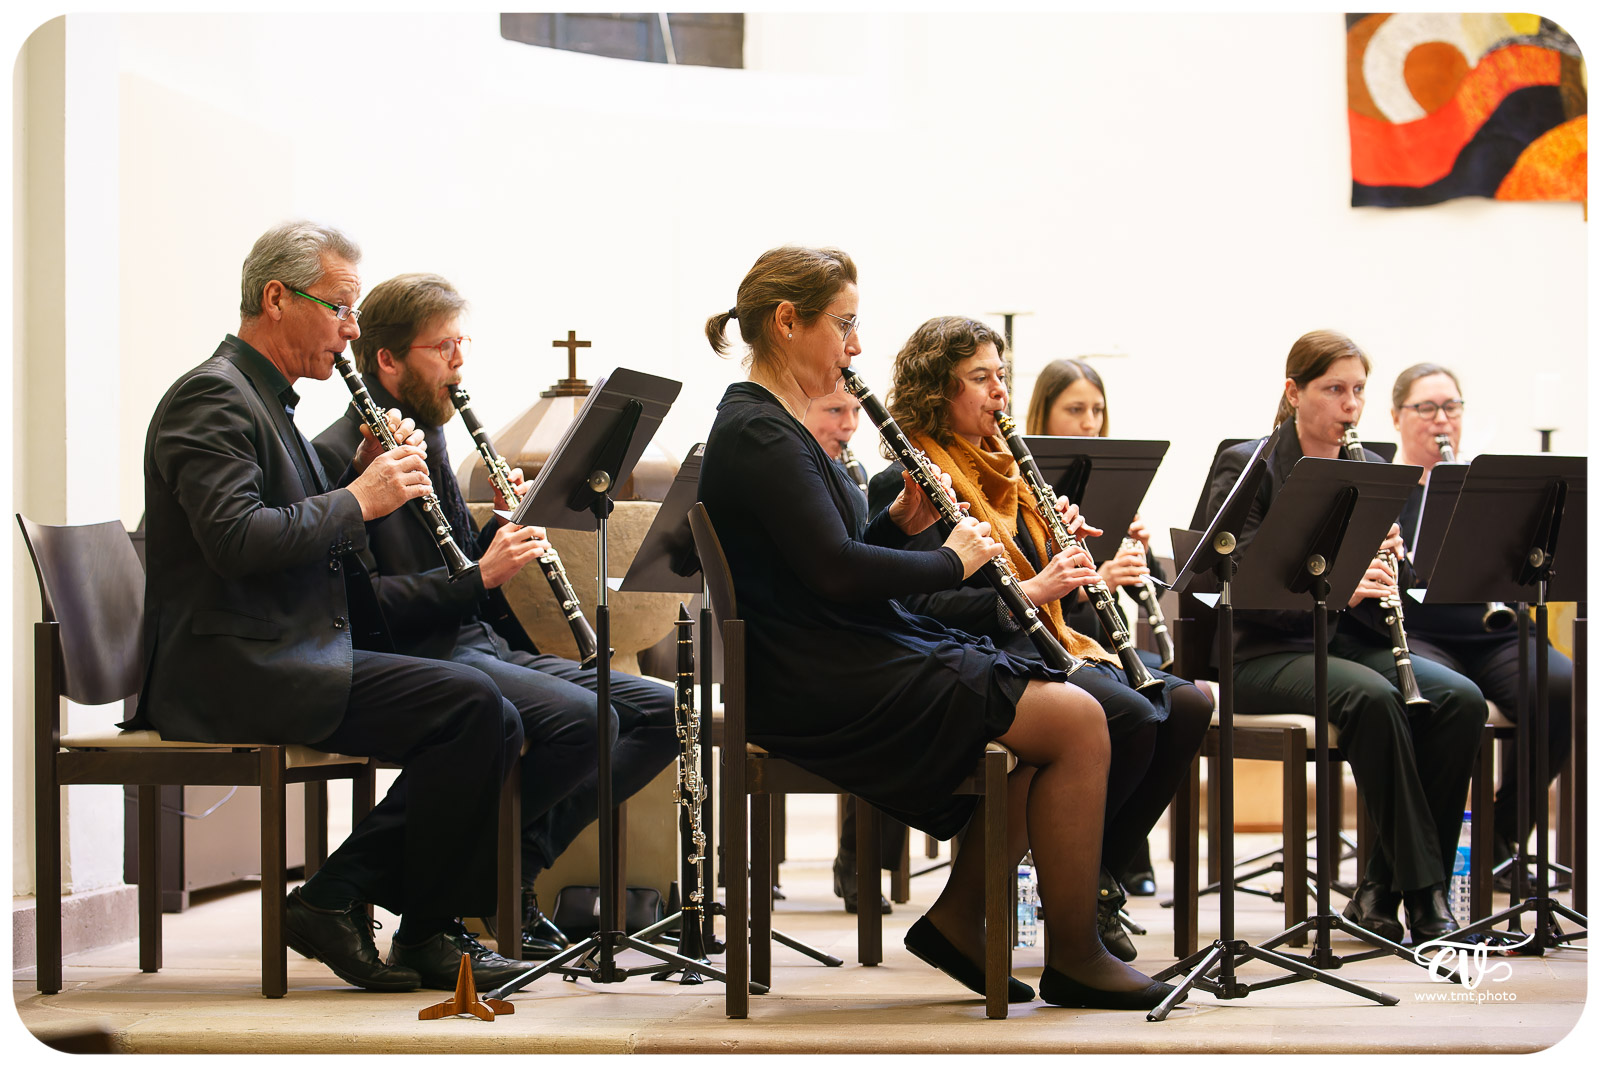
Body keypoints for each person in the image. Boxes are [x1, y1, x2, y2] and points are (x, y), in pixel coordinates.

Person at [699, 245, 1176, 1010]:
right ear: (787, 322)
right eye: (844, 326)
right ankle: (1075, 952)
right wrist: (952, 560)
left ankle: (961, 918)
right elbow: (833, 574)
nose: (856, 347)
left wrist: (895, 523)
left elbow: (834, 560)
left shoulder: (777, 424)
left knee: (1063, 719)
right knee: (1080, 721)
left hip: (844, 647)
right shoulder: (758, 431)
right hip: (814, 676)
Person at [134, 221, 534, 993]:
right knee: (473, 707)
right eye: (341, 308)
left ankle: (371, 905)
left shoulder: (263, 398)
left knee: (491, 710)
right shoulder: (210, 397)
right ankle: (360, 908)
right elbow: (236, 540)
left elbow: (284, 520)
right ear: (277, 298)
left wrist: (352, 481)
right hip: (236, 666)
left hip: (287, 649)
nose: (352, 331)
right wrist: (358, 498)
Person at [311, 273, 679, 958]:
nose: (458, 360)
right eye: (442, 346)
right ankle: (406, 892)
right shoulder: (341, 458)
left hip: (478, 645)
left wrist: (500, 532)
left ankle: (514, 867)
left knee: (662, 714)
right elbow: (368, 609)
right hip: (423, 660)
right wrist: (480, 573)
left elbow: (459, 575)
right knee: (585, 720)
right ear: (387, 359)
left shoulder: (430, 433)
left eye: (462, 343)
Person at [867, 319, 1211, 963]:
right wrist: (1038, 588)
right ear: (938, 390)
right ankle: (1078, 902)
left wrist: (1063, 555)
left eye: (1002, 377)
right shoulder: (908, 480)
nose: (999, 392)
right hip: (976, 661)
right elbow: (916, 604)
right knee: (1132, 715)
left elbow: (1046, 588)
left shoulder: (1011, 474)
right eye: (980, 379)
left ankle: (1096, 875)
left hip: (1038, 646)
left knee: (1189, 705)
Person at [1199, 329, 1489, 945]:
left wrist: (1394, 560)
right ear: (1293, 392)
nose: (1351, 406)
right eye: (1334, 390)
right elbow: (1238, 580)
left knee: (1459, 699)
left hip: (1343, 643)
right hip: (1260, 651)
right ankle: (1426, 894)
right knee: (1372, 699)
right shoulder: (1249, 463)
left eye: (1358, 390)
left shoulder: (1372, 469)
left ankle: (1378, 888)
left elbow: (1397, 579)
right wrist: (1332, 584)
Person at [1390, 362, 1573, 887]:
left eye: (1451, 407)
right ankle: (1426, 855)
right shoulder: (1386, 486)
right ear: (1398, 416)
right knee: (1449, 696)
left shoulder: (1486, 487)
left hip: (1493, 631)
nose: (1440, 419)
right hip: (1420, 632)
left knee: (1560, 686)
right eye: (1426, 408)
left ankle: (1501, 835)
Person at [1024, 357, 1173, 898]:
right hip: (1057, 646)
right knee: (1129, 706)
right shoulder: (1024, 485)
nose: (1090, 422)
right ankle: (1090, 865)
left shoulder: (1111, 487)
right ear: (1045, 411)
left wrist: (1140, 563)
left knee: (1174, 697)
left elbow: (1142, 590)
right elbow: (1048, 612)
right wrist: (1098, 578)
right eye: (1076, 409)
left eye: (1098, 410)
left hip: (1106, 647)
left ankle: (1116, 856)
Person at [800, 382, 906, 916]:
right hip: (819, 655)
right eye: (834, 411)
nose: (849, 425)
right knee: (907, 697)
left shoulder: (845, 476)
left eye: (854, 412)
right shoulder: (794, 475)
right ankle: (860, 857)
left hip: (868, 630)